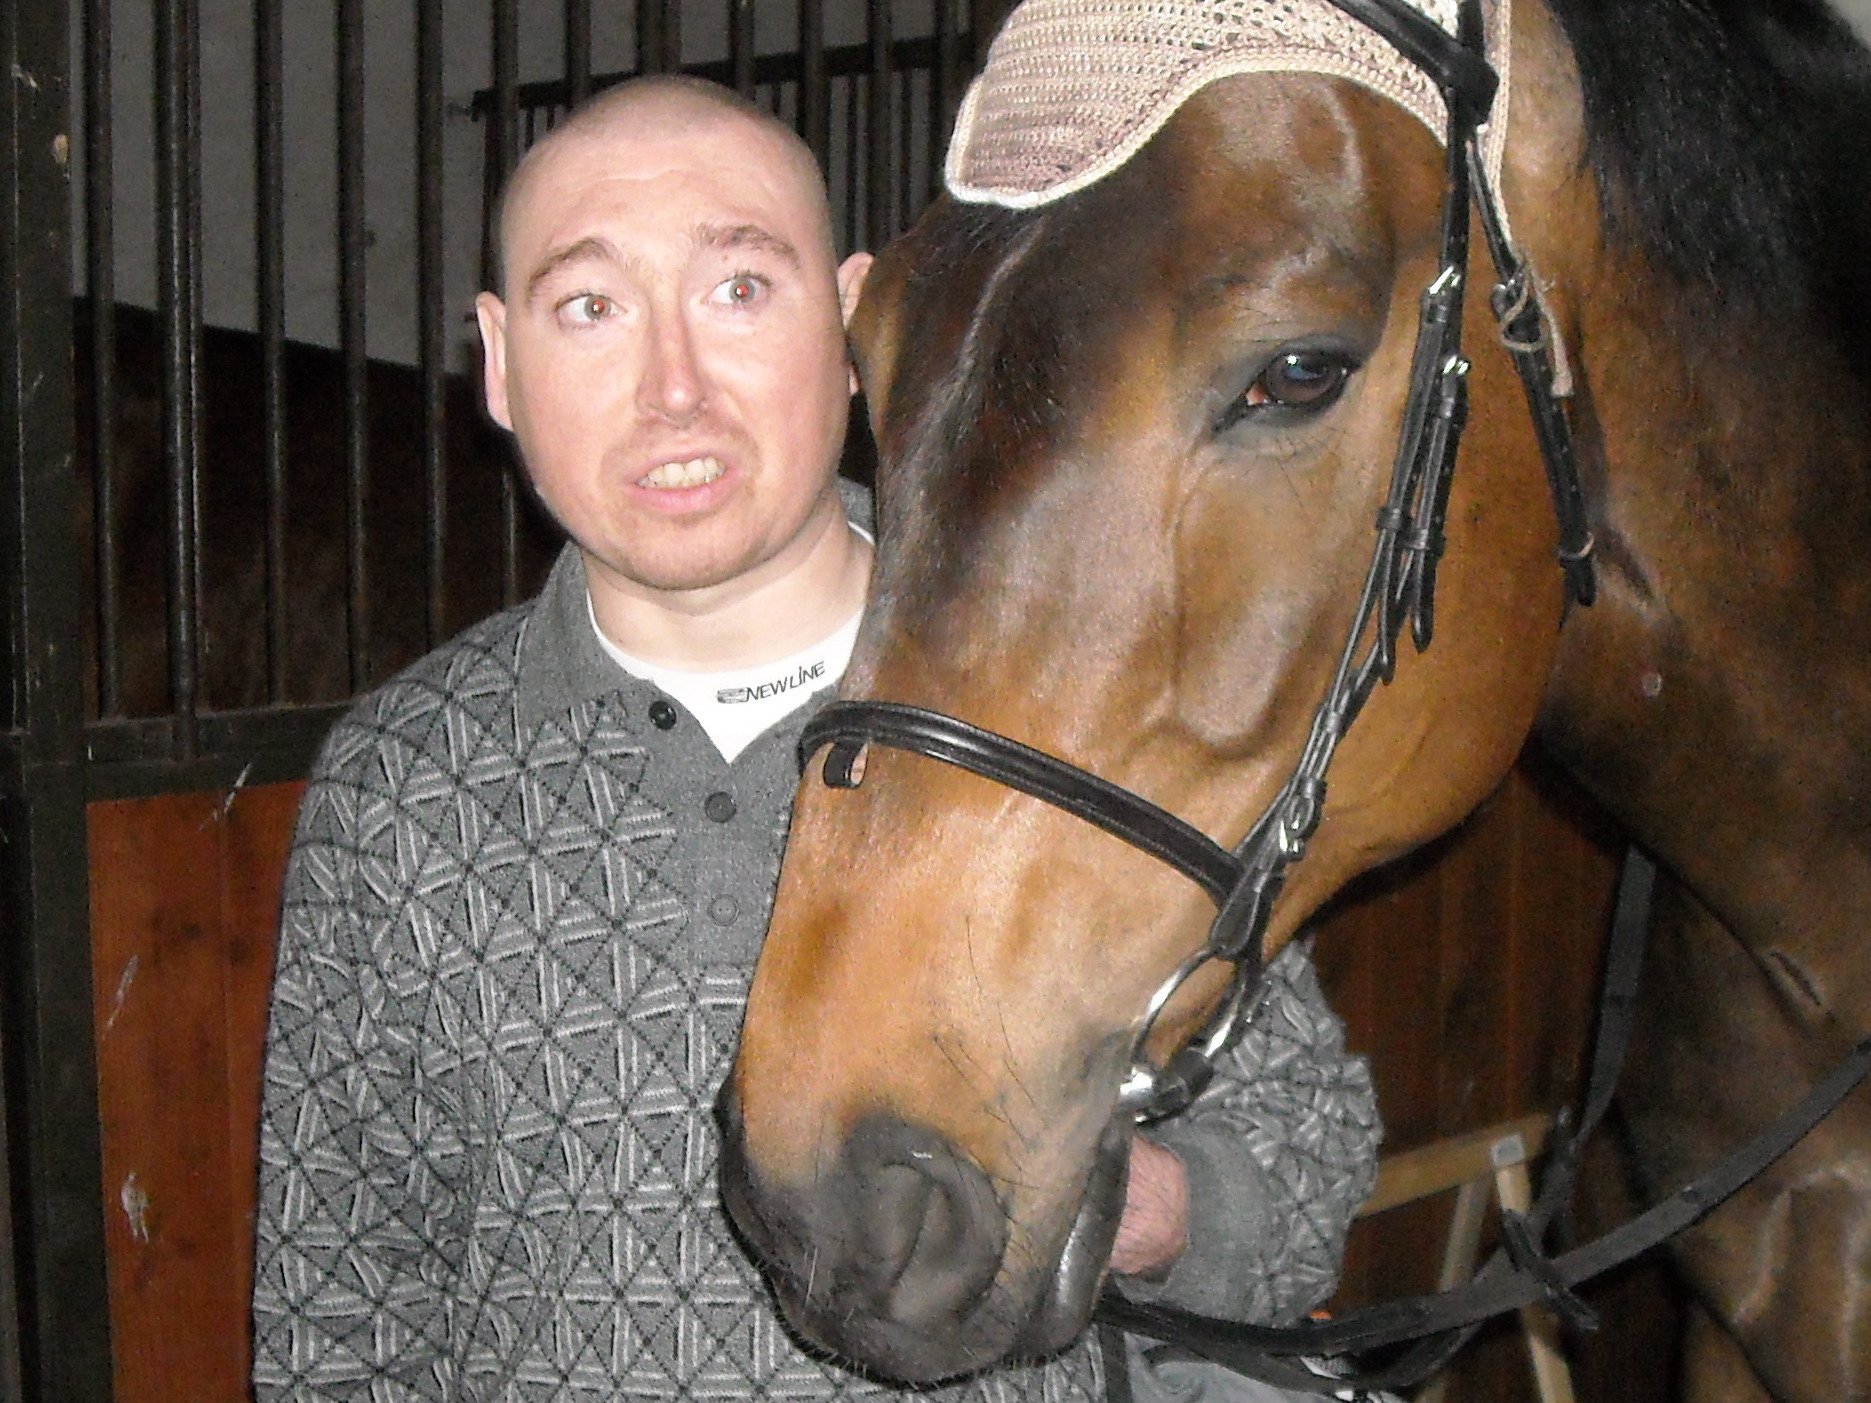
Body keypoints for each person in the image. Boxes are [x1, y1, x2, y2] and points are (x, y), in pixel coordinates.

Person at [249, 75, 1382, 1403]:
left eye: (738, 289)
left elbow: (1310, 1144)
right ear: (500, 364)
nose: (672, 388)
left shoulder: (1078, 702)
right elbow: (336, 1321)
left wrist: (1144, 1206)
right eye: (591, 308)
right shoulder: (400, 791)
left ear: (852, 325)